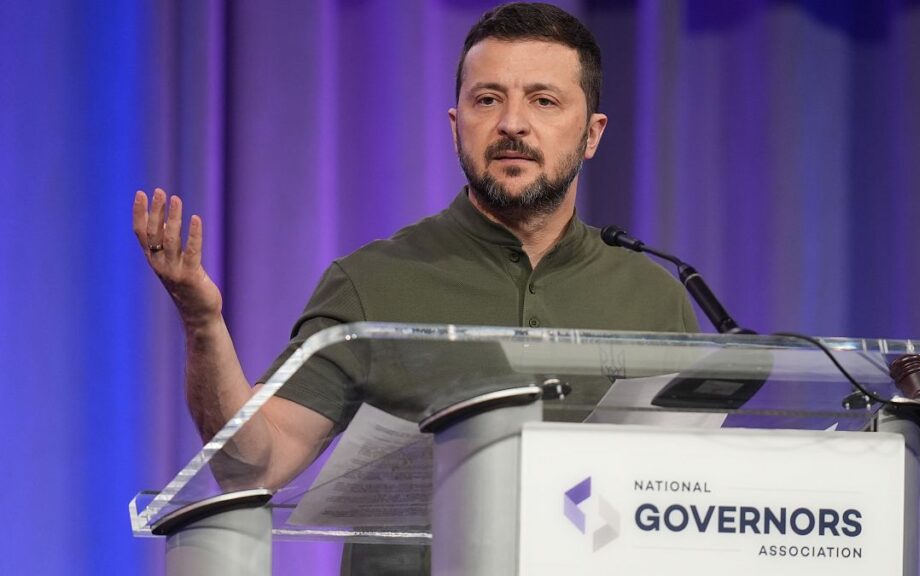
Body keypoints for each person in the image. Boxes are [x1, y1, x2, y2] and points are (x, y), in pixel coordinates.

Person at [133, 2, 697, 573]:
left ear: (592, 134)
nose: (512, 124)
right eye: (487, 99)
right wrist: (202, 324)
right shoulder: (373, 281)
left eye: (543, 101)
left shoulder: (653, 297)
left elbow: (690, 499)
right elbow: (253, 464)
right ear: (456, 126)